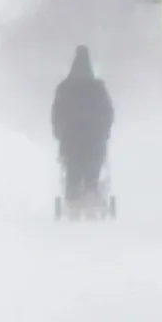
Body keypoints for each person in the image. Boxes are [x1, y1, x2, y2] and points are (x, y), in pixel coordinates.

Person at [51, 45, 114, 204]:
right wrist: (105, 131)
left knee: (72, 166)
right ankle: (91, 191)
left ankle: (72, 194)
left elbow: (56, 112)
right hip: (95, 138)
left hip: (70, 138)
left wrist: (58, 132)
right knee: (93, 164)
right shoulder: (98, 89)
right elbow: (108, 112)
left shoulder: (64, 88)